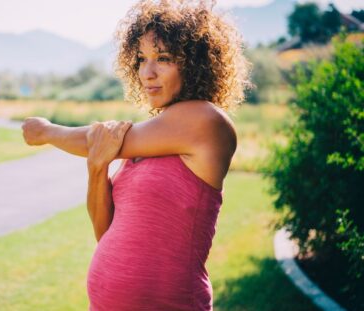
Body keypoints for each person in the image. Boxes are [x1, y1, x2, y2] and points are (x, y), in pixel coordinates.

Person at [21, 0, 250, 309]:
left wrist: (47, 131)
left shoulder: (207, 122)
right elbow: (104, 231)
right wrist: (97, 167)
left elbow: (95, 138)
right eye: (141, 59)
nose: (148, 72)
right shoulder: (147, 140)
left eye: (164, 58)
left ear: (196, 63)